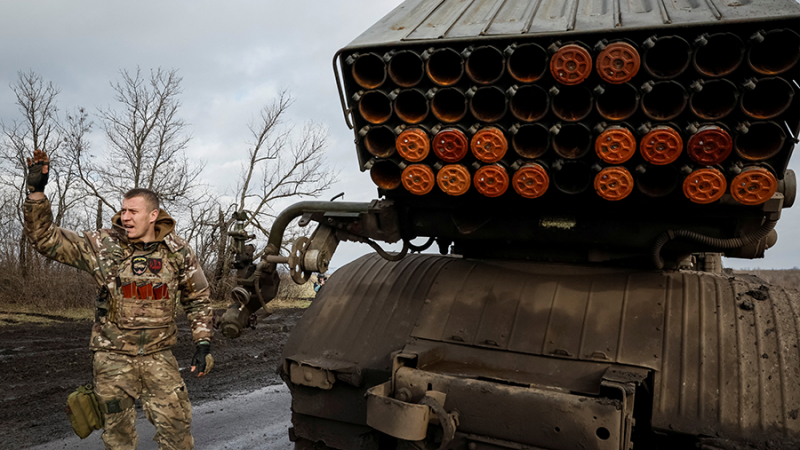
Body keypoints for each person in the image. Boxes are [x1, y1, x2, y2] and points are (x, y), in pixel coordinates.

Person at [23, 149, 214, 450]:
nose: (124, 217)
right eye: (123, 210)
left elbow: (198, 297)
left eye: (132, 212)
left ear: (153, 216)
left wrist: (203, 342)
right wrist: (36, 193)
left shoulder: (178, 251)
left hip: (159, 358)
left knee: (178, 435)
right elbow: (46, 239)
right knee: (118, 440)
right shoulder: (102, 245)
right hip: (112, 361)